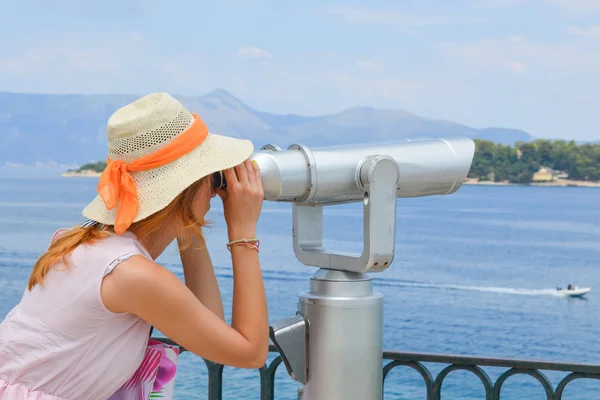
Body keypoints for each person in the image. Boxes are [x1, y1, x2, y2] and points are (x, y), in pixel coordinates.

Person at [0, 93, 269, 399]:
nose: (214, 187)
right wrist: (243, 230)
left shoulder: (87, 246)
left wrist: (186, 220)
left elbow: (211, 334)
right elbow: (250, 353)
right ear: (186, 187)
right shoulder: (132, 275)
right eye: (210, 175)